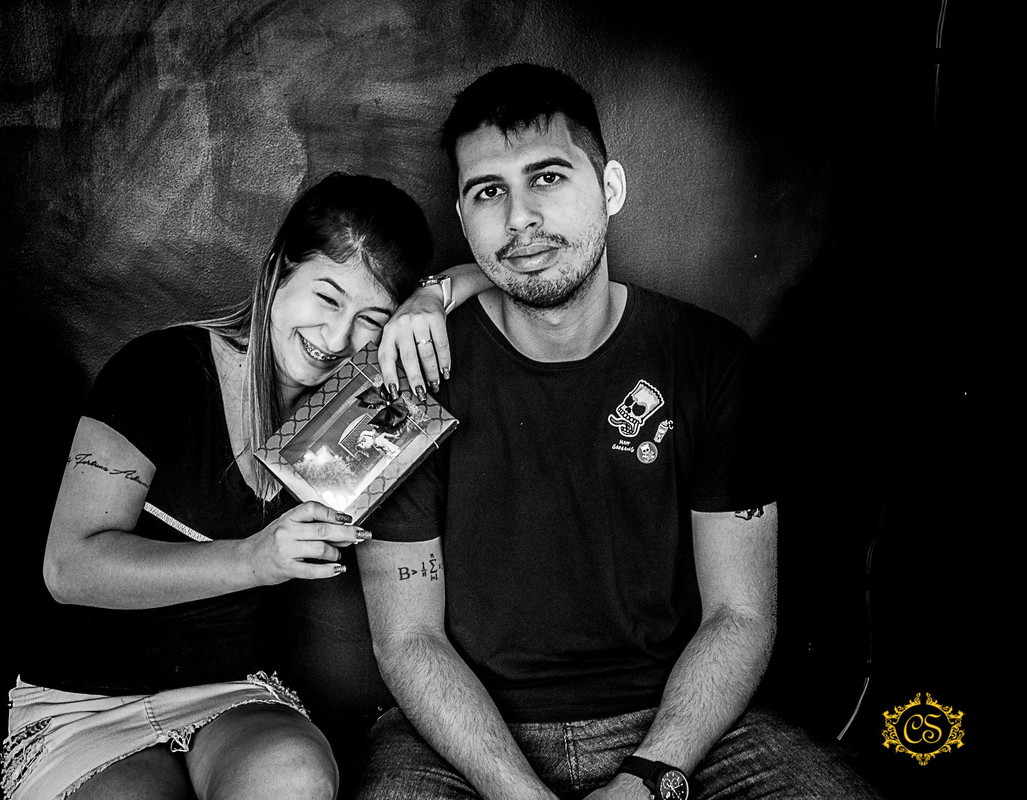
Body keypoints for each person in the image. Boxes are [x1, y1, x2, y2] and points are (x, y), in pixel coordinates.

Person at [355, 64, 884, 800]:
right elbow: (408, 639)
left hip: (678, 722)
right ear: (463, 216)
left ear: (610, 187)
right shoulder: (409, 376)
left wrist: (650, 776)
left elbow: (740, 615)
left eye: (547, 178)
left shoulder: (709, 360)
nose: (519, 219)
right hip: (461, 735)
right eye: (488, 192)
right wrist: (518, 793)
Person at [1, 171, 435, 800]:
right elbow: (69, 567)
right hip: (83, 702)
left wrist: (432, 298)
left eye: (372, 318)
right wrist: (255, 559)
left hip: (228, 695)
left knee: (294, 775)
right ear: (278, 271)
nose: (339, 339)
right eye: (327, 298)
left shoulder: (355, 409)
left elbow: (512, 284)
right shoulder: (162, 371)